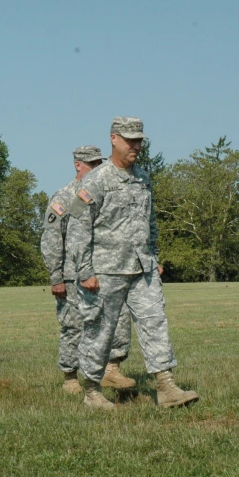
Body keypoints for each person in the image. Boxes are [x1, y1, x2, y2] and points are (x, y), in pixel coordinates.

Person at [68, 117, 200, 409]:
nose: (136, 146)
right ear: (113, 139)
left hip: (143, 268)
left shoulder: (143, 177)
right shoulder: (96, 180)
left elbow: (150, 219)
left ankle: (166, 386)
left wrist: (153, 254)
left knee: (155, 323)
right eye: (130, 140)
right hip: (106, 270)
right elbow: (78, 227)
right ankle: (91, 391)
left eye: (139, 140)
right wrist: (85, 271)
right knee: (100, 330)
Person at [41, 146, 135, 394]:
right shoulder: (65, 197)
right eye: (91, 164)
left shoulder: (103, 192)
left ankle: (111, 370)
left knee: (116, 320)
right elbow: (51, 239)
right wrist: (56, 277)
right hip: (72, 276)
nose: (97, 168)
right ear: (78, 165)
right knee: (73, 325)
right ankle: (70, 376)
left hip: (105, 270)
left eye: (98, 163)